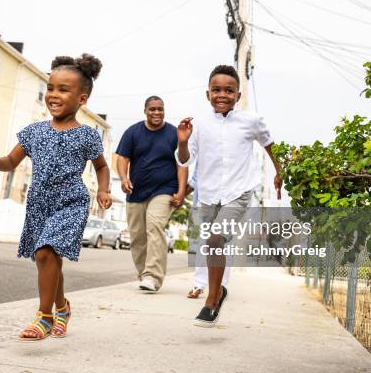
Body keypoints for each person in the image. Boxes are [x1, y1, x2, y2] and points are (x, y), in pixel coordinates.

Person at [0, 53, 111, 341]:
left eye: (63, 89)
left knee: (46, 252)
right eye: (50, 88)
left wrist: (103, 189)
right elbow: (10, 161)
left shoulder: (88, 135)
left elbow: (101, 166)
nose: (53, 94)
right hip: (39, 203)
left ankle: (45, 317)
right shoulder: (34, 132)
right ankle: (62, 307)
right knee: (48, 260)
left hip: (71, 203)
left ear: (82, 99)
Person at [176, 65, 282, 327]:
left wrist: (279, 172)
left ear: (237, 94)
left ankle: (211, 301)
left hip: (239, 192)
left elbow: (269, 145)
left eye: (228, 90)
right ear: (207, 94)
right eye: (216, 90)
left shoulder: (251, 121)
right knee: (213, 245)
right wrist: (181, 141)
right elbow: (184, 159)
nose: (222, 95)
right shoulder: (198, 125)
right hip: (210, 194)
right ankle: (219, 292)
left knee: (214, 241)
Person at [116, 96, 188, 292]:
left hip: (165, 189)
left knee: (155, 225)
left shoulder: (173, 133)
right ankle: (144, 275)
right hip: (136, 191)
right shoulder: (133, 132)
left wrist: (181, 192)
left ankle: (153, 276)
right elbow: (122, 158)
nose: (157, 113)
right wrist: (123, 178)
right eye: (153, 109)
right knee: (138, 236)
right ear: (145, 111)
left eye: (160, 109)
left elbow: (182, 164)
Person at [185, 170, 230, 299]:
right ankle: (199, 284)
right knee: (204, 241)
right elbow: (196, 177)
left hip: (231, 198)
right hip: (207, 197)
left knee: (225, 243)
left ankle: (221, 286)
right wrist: (181, 193)